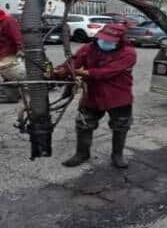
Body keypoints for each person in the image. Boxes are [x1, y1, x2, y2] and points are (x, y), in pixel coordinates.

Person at [59, 23, 137, 168]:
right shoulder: (88, 49)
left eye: (110, 41)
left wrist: (80, 72)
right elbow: (73, 63)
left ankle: (117, 155)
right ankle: (82, 154)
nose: (105, 42)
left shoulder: (128, 53)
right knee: (84, 124)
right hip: (92, 94)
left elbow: (106, 72)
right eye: (103, 38)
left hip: (118, 96)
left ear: (120, 40)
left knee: (121, 125)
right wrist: (62, 69)